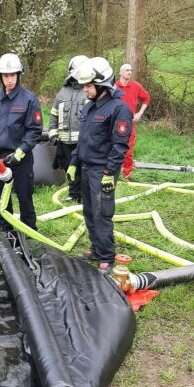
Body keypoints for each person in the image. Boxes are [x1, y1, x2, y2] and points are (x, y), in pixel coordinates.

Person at [67, 57, 132, 274]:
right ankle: (96, 249)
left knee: (102, 213)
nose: (84, 89)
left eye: (88, 85)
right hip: (86, 168)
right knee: (88, 211)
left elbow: (120, 146)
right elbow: (82, 139)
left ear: (102, 84)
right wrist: (74, 162)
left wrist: (109, 173)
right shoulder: (89, 107)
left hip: (102, 171)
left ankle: (107, 257)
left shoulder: (118, 108)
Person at [0, 53, 43, 232]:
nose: (9, 80)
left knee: (24, 197)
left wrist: (21, 152)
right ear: (0, 76)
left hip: (19, 159)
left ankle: (30, 233)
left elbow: (34, 130)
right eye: (6, 76)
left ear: (18, 75)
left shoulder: (29, 99)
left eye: (13, 75)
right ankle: (6, 233)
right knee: (1, 199)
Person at [48, 55, 89, 203]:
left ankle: (84, 196)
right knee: (68, 168)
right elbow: (53, 115)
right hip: (64, 141)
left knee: (83, 169)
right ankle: (73, 193)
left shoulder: (88, 91)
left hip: (82, 141)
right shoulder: (62, 92)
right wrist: (53, 135)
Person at [115, 63, 150, 180]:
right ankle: (111, 172)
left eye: (130, 70)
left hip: (130, 123)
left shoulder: (136, 86)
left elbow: (146, 98)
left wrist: (139, 113)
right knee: (113, 147)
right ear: (120, 72)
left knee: (128, 150)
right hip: (115, 124)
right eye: (126, 70)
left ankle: (127, 174)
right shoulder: (114, 87)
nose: (129, 72)